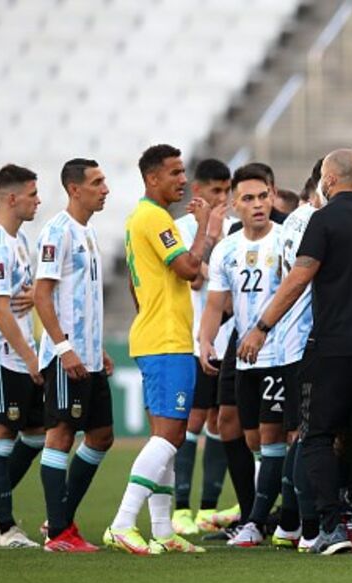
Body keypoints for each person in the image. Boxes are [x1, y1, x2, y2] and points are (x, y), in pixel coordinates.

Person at [236, 149, 352, 555]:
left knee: (316, 435)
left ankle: (330, 526)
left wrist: (261, 328)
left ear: (330, 179)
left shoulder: (323, 220)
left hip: (334, 346)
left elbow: (298, 278)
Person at [104, 144, 224, 555]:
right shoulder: (155, 218)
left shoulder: (140, 218)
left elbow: (142, 282)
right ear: (152, 178)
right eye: (174, 172)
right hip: (167, 341)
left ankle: (162, 529)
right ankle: (122, 523)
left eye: (183, 171)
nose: (183, 180)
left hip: (156, 336)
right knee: (171, 437)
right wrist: (205, 230)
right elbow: (190, 270)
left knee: (165, 438)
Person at [199, 163, 287, 548]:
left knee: (271, 434)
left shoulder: (286, 241)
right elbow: (215, 303)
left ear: (273, 196)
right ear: (235, 205)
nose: (257, 204)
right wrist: (205, 341)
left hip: (279, 349)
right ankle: (254, 512)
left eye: (263, 196)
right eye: (248, 199)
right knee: (235, 427)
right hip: (240, 348)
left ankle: (265, 519)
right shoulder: (227, 248)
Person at [33, 159, 114, 552]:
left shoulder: (89, 232)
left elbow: (82, 299)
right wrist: (64, 348)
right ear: (74, 189)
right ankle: (59, 533)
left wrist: (97, 347)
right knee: (61, 434)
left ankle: (60, 518)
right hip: (67, 356)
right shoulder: (57, 231)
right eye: (97, 182)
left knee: (102, 436)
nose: (105, 189)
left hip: (89, 356)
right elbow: (41, 294)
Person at [0, 164, 44, 548]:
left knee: (36, 434)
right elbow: (0, 309)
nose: (38, 201)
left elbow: (20, 298)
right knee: (1, 434)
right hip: (2, 356)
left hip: (21, 353)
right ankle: (5, 528)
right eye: (33, 194)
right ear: (13, 198)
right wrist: (30, 358)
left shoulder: (20, 241)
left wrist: (34, 295)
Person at [170, 158, 234, 536]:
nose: (222, 199)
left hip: (228, 341)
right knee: (191, 422)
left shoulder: (236, 229)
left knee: (220, 421)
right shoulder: (181, 229)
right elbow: (194, 279)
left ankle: (208, 507)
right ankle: (181, 507)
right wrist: (209, 235)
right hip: (196, 338)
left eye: (227, 191)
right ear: (198, 191)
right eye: (215, 191)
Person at [271, 171, 323, 552]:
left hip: (289, 338)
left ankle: (289, 523)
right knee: (310, 434)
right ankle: (309, 528)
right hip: (306, 337)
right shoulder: (315, 222)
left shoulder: (293, 220)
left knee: (299, 435)